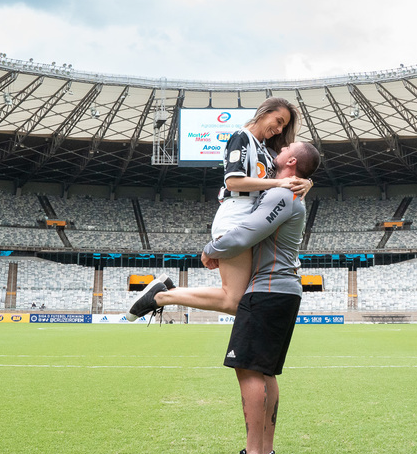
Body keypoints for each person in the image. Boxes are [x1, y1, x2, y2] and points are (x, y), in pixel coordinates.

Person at [130, 141, 320, 454]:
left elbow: (249, 230)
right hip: (280, 290)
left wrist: (212, 247)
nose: (280, 145)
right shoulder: (288, 192)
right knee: (264, 372)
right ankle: (264, 452)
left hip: (269, 289)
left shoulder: (282, 195)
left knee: (247, 370)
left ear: (291, 161)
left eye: (287, 145)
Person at [127, 98, 311, 321]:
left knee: (238, 299)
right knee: (233, 300)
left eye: (284, 126)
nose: (280, 129)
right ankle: (162, 296)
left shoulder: (264, 148)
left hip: (251, 217)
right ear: (263, 112)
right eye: (278, 121)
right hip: (236, 214)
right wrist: (278, 184)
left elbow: (292, 168)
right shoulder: (241, 138)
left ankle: (165, 291)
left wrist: (308, 182)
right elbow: (233, 181)